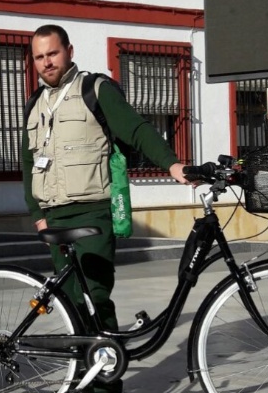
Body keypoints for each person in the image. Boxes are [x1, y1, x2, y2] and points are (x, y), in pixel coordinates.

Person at [22, 24, 190, 393]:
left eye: (52, 53)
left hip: (92, 212)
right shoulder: (36, 104)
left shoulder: (94, 90)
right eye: (39, 56)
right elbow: (27, 161)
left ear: (68, 50)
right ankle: (84, 377)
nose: (46, 62)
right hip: (54, 216)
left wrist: (172, 164)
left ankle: (106, 382)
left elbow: (136, 129)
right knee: (69, 306)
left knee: (96, 297)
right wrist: (37, 213)